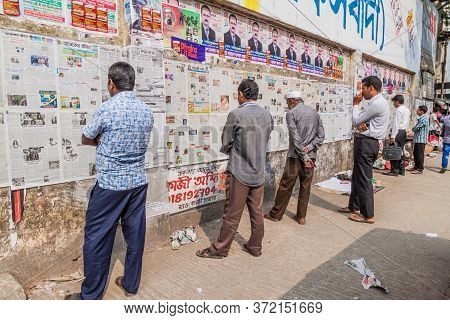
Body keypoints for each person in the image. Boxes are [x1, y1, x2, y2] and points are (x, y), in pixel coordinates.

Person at [65, 62, 154, 300]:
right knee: (135, 234)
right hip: (137, 182)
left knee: (96, 238)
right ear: (132, 84)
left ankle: (91, 296)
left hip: (111, 186)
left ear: (111, 84)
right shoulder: (146, 111)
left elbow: (86, 137)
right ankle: (131, 283)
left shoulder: (108, 109)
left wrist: (101, 142)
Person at [196, 79, 273, 259]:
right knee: (257, 212)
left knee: (232, 214)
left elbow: (226, 142)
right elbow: (266, 138)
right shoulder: (267, 115)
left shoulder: (236, 115)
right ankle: (255, 246)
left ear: (241, 94)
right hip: (258, 172)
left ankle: (220, 249)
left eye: (237, 94)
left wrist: (233, 149)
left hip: (239, 171)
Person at [264, 91, 324, 225]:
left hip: (295, 157)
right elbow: (321, 136)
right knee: (306, 186)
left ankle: (276, 215)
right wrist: (309, 150)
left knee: (286, 186)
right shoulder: (315, 113)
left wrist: (303, 155)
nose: (287, 105)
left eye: (287, 102)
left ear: (292, 101)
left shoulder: (291, 114)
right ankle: (301, 217)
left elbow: (295, 138)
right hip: (311, 157)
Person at [339, 76, 390, 224]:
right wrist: (362, 122)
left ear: (371, 88)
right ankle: (353, 206)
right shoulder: (377, 103)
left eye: (364, 88)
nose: (362, 92)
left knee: (364, 179)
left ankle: (367, 215)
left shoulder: (377, 104)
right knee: (357, 176)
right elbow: (361, 122)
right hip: (366, 141)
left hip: (366, 144)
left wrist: (356, 104)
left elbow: (356, 121)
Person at [385, 95, 410, 176]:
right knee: (401, 150)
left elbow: (396, 123)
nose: (393, 104)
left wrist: (393, 136)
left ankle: (394, 170)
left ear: (398, 101)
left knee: (394, 151)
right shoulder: (407, 110)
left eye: (394, 102)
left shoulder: (399, 110)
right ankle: (401, 170)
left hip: (398, 132)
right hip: (403, 132)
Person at [409, 105, 429, 175]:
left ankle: (420, 169)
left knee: (419, 154)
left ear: (422, 111)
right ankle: (416, 167)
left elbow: (416, 128)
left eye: (418, 110)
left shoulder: (424, 119)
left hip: (421, 140)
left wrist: (412, 129)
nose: (417, 111)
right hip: (418, 139)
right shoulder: (421, 118)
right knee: (416, 154)